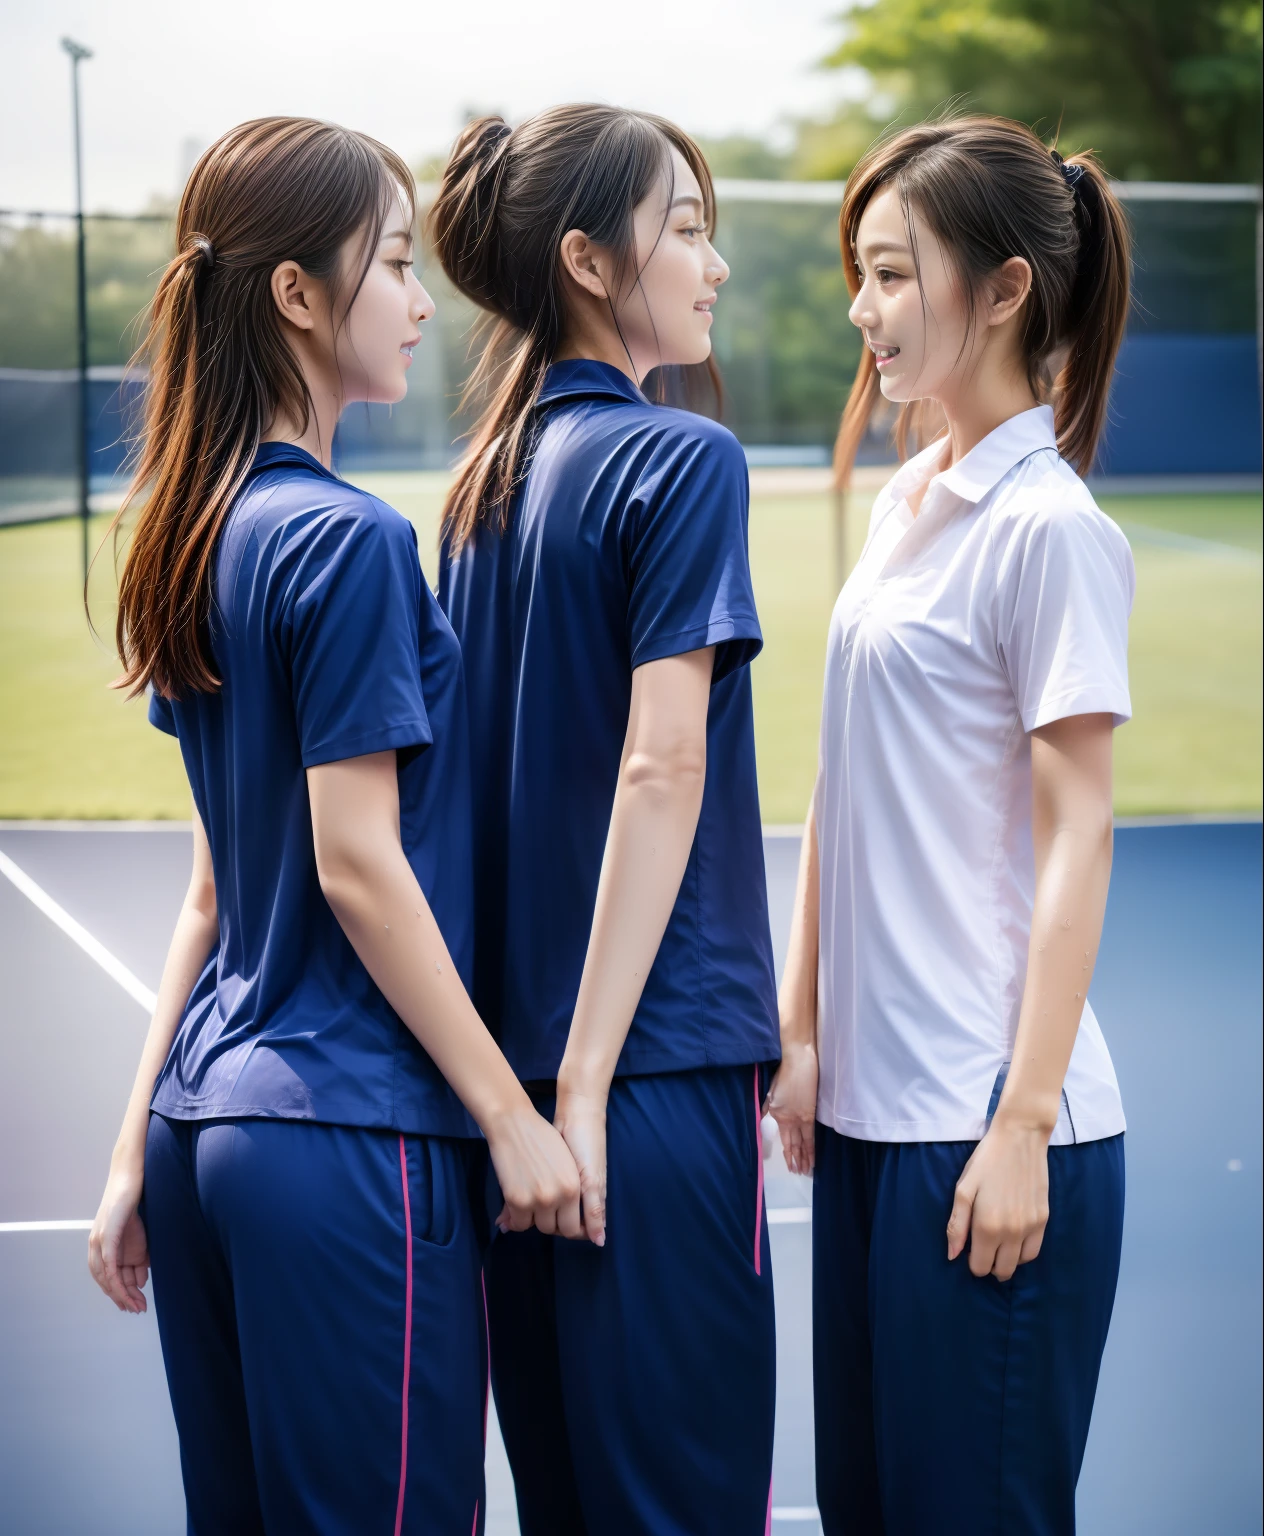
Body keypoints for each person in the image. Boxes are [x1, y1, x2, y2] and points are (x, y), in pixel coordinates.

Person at [87, 116, 582, 1536]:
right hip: (346, 1139)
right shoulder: (347, 537)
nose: (427, 302)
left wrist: (134, 1151)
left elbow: (212, 896)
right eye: (400, 263)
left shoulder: (200, 527)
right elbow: (356, 864)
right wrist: (509, 1117)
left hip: (206, 1130)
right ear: (299, 294)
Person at [767, 117, 1134, 1536]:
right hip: (869, 1117)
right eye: (858, 274)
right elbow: (834, 788)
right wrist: (803, 1039)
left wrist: (1025, 1122)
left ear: (1003, 291)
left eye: (891, 273)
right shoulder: (910, 504)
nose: (863, 309)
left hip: (984, 1134)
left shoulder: (1050, 530)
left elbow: (1078, 836)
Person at [431, 105, 780, 1535]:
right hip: (643, 1080)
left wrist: (532, 1101)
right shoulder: (681, 461)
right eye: (684, 226)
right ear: (586, 258)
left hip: (515, 1111)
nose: (712, 264)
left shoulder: (479, 493)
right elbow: (660, 769)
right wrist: (587, 1085)